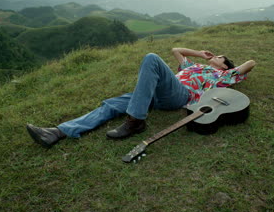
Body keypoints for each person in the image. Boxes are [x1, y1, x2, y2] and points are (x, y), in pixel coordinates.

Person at [26, 48, 256, 148]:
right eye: (214, 56)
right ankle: (57, 132)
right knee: (111, 105)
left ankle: (135, 121)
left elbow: (250, 64)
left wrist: (227, 68)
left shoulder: (220, 75)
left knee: (151, 59)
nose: (215, 57)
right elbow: (177, 50)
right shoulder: (193, 65)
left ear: (225, 66)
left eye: (219, 57)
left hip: (179, 95)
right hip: (159, 91)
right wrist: (199, 53)